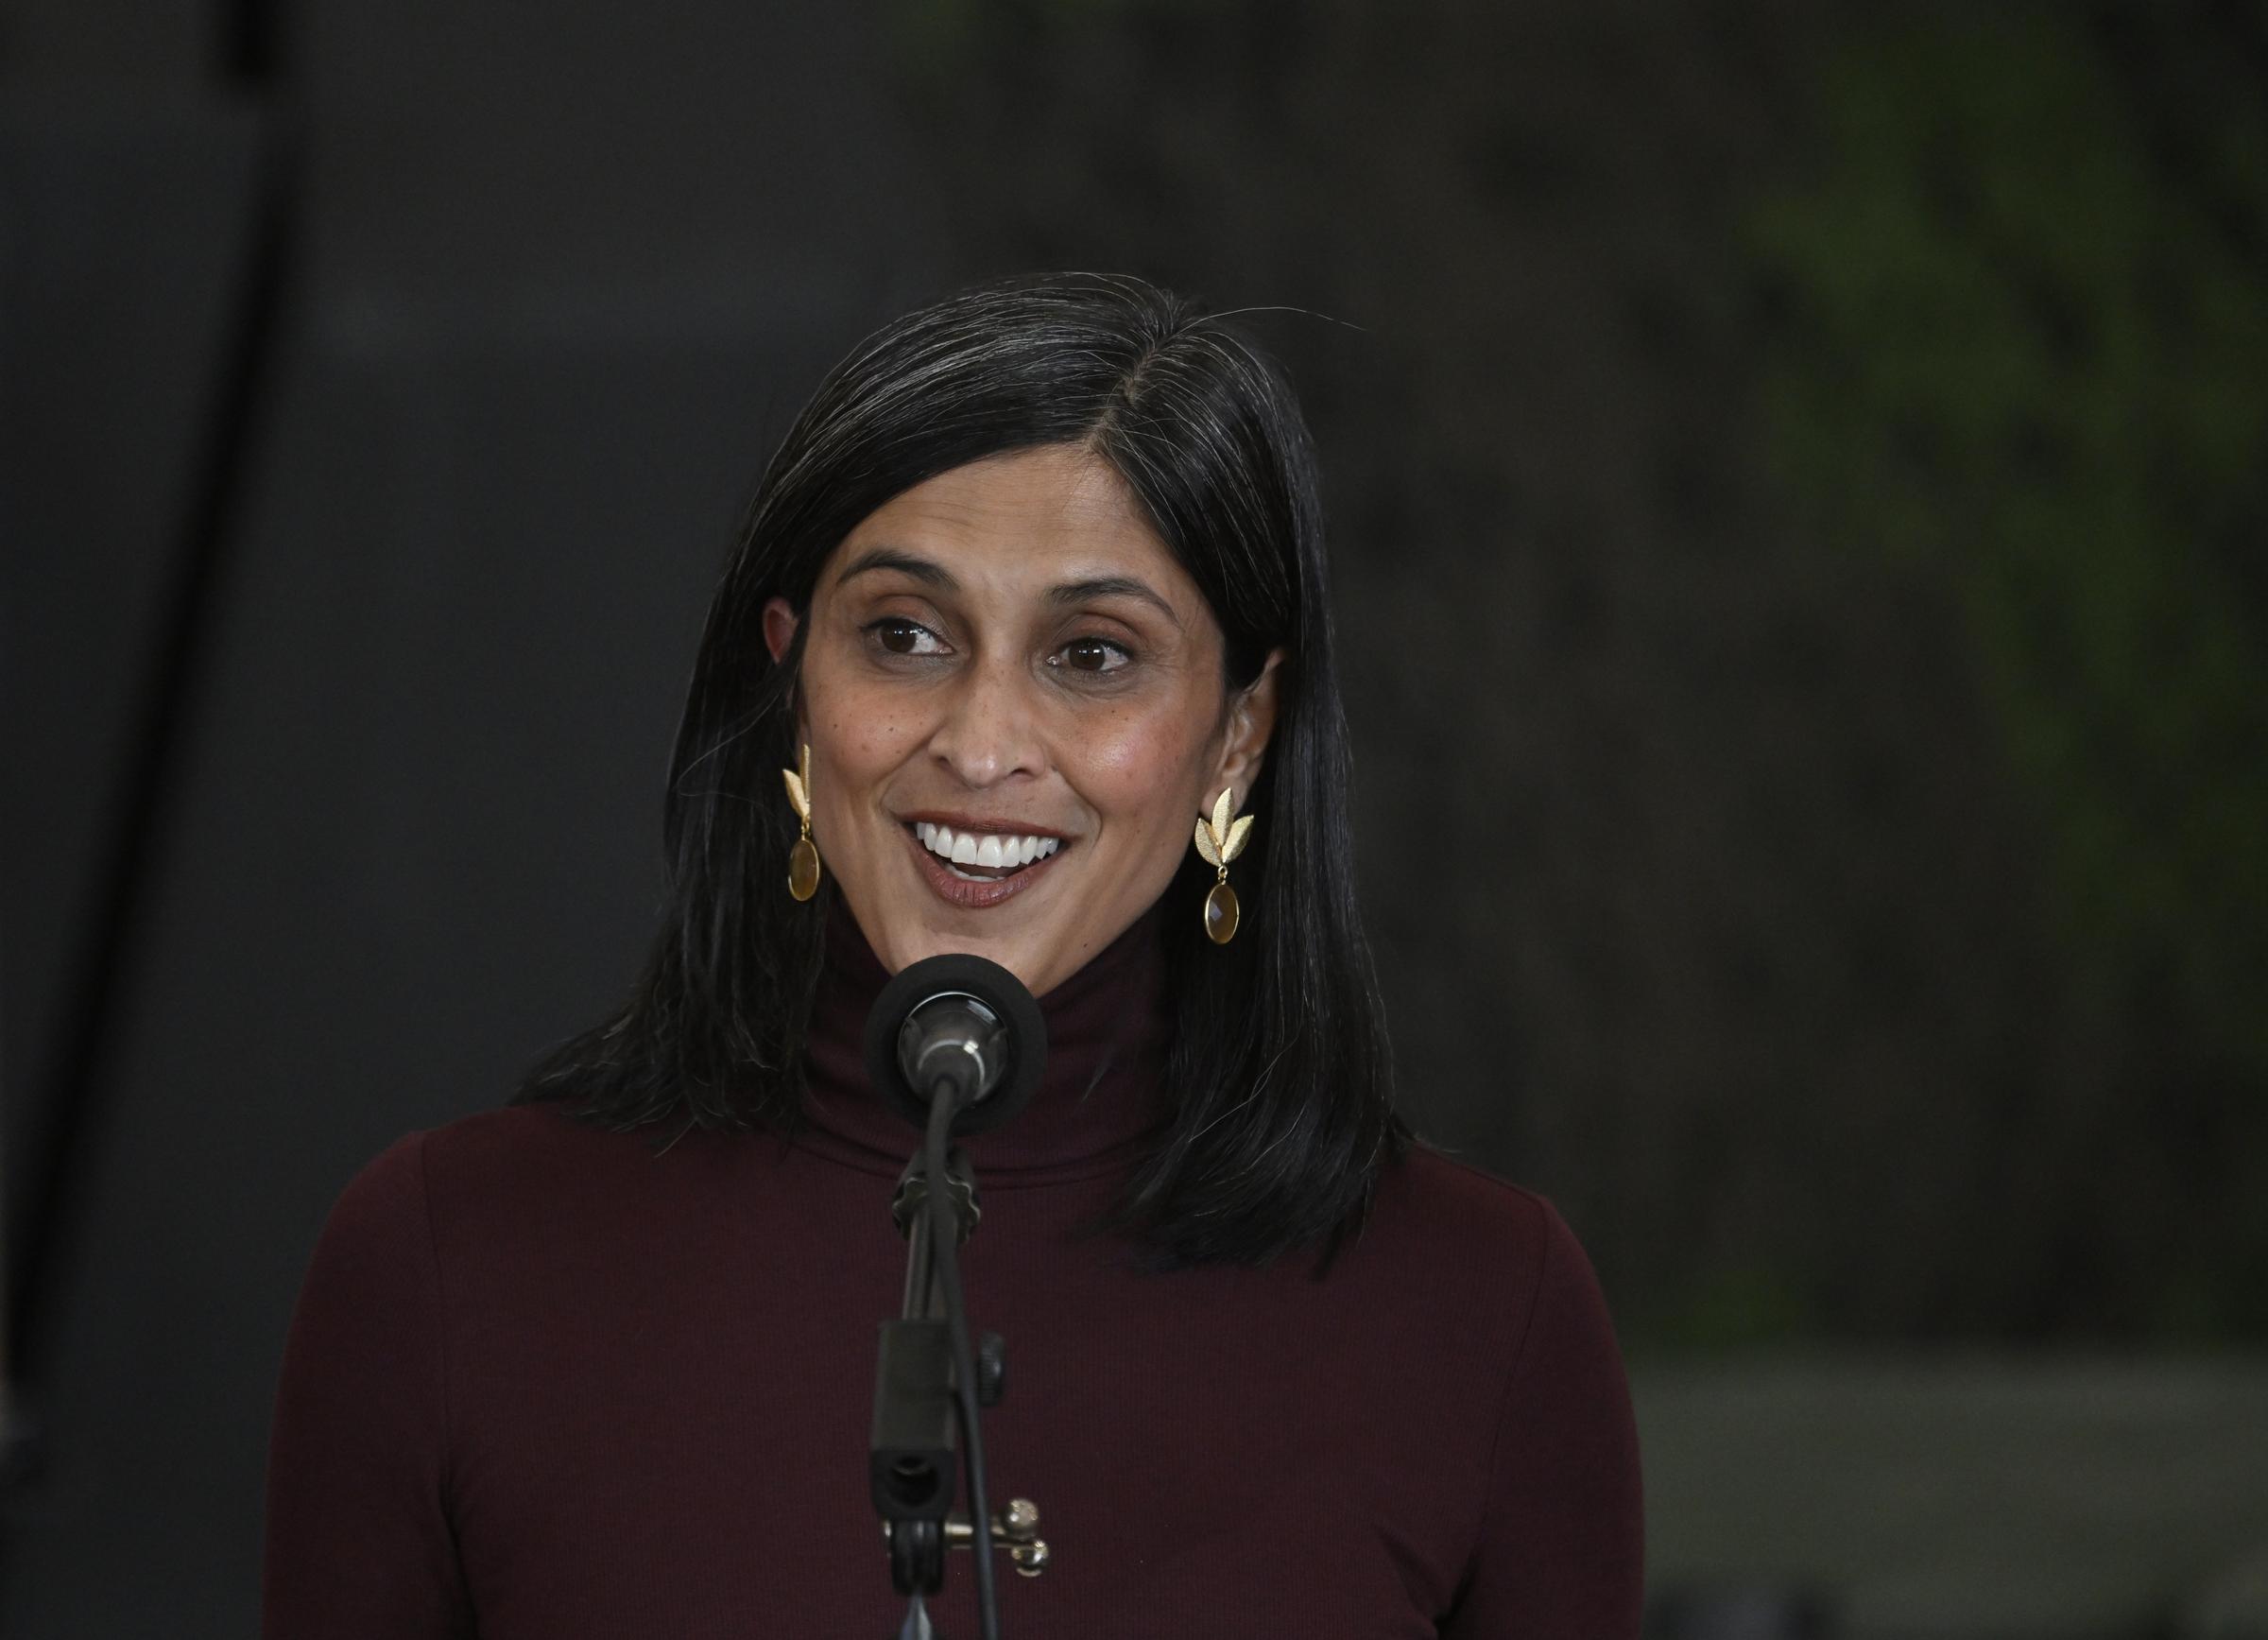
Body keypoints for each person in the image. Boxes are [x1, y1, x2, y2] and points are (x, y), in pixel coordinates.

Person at [262, 272, 1643, 1638]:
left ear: (1242, 731)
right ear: (792, 679)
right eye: (905, 636)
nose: (982, 746)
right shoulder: (451, 1262)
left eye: (1094, 655)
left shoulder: (1480, 1311)